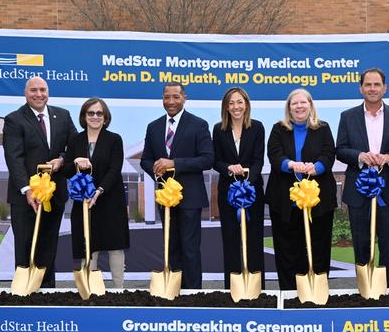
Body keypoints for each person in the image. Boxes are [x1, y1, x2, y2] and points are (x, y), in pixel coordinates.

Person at [335, 68, 389, 288]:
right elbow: (340, 149)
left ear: (385, 88)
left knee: (388, 246)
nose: (372, 89)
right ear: (361, 88)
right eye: (368, 85)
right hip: (358, 192)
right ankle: (365, 290)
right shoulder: (348, 116)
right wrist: (360, 156)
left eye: (376, 84)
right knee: (361, 245)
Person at [3, 76, 77, 288]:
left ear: (48, 92)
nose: (38, 94)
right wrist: (26, 189)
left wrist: (62, 159)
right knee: (25, 246)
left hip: (54, 195)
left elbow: (73, 146)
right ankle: (25, 293)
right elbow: (14, 158)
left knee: (48, 246)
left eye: (42, 90)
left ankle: (47, 293)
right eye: (33, 90)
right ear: (25, 93)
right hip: (25, 198)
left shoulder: (62, 116)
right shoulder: (14, 119)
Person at [140, 82, 213, 289]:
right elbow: (146, 159)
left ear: (184, 98)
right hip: (165, 198)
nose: (170, 101)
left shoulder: (199, 124)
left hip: (190, 197)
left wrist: (174, 164)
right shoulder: (153, 127)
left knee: (190, 248)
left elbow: (207, 159)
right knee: (170, 247)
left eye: (175, 97)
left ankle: (193, 294)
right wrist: (156, 169)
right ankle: (174, 292)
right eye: (166, 97)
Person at [265, 88, 337, 290]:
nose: (299, 106)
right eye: (294, 103)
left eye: (303, 102)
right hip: (284, 200)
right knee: (287, 248)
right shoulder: (278, 129)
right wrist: (291, 164)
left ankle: (317, 290)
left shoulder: (323, 128)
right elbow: (274, 155)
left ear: (310, 105)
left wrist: (317, 168)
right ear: (289, 107)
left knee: (319, 246)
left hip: (319, 199)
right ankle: (289, 293)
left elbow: (329, 154)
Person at [63, 98, 130, 288]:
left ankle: (119, 290)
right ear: (84, 116)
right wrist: (75, 162)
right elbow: (66, 170)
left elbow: (114, 169)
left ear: (105, 116)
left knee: (115, 247)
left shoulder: (114, 139)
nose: (95, 117)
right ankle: (89, 289)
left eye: (99, 113)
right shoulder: (75, 140)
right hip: (84, 202)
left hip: (110, 200)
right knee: (88, 245)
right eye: (90, 113)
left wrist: (99, 191)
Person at [212, 87, 265, 289]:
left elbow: (259, 161)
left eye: (240, 102)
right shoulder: (218, 129)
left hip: (253, 193)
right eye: (231, 102)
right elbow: (215, 161)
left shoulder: (257, 127)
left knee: (254, 240)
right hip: (228, 193)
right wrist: (228, 168)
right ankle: (232, 289)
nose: (236, 106)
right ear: (226, 106)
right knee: (231, 240)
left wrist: (247, 181)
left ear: (246, 104)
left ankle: (256, 289)